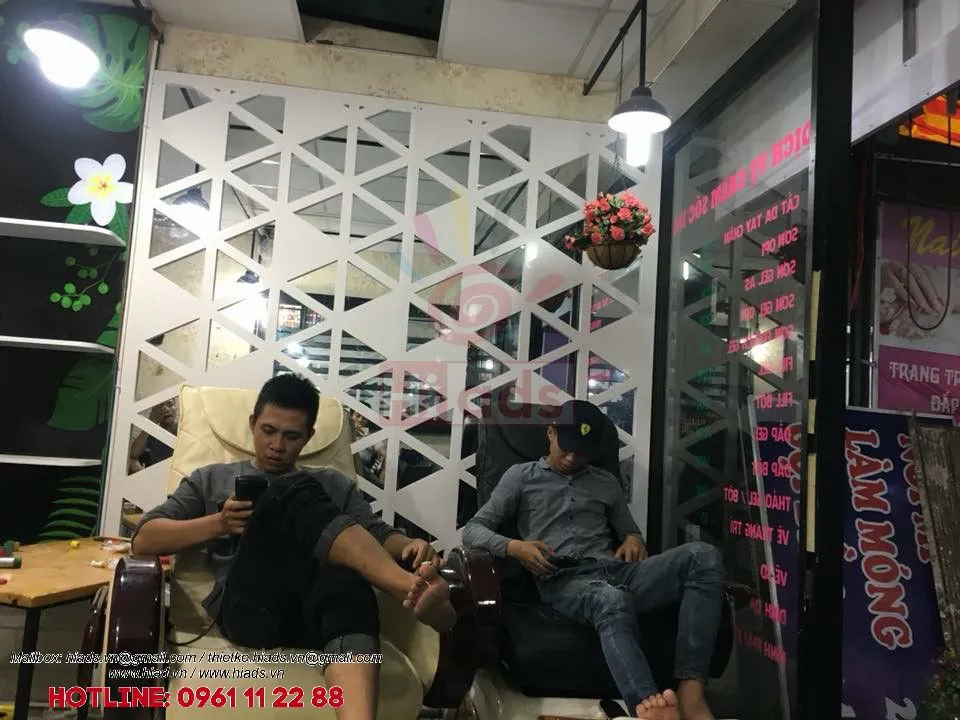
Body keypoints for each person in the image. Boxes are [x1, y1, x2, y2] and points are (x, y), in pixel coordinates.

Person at [132, 374, 456, 720]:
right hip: (250, 613)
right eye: (268, 431)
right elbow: (144, 539)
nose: (277, 445)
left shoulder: (334, 482)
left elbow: (375, 532)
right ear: (252, 423)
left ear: (309, 437)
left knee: (347, 582)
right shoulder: (210, 478)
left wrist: (411, 544)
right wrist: (219, 523)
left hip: (316, 614)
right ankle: (408, 588)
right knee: (288, 491)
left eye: (291, 436)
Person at [461, 399, 724, 720]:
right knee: (610, 599)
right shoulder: (521, 477)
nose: (572, 458)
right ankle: (646, 705)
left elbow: (630, 532)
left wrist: (633, 540)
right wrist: (514, 547)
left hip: (618, 571)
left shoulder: (606, 482)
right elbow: (473, 530)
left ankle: (691, 692)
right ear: (551, 433)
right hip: (563, 577)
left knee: (703, 555)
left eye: (582, 452)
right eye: (567, 448)